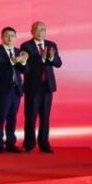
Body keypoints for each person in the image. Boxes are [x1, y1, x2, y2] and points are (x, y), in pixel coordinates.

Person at [20, 21, 62, 153]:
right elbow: (26, 67)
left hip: (47, 86)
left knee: (45, 117)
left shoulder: (51, 45)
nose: (40, 32)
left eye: (43, 29)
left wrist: (52, 57)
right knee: (31, 116)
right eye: (37, 29)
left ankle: (44, 144)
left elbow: (58, 63)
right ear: (32, 31)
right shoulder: (26, 46)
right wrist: (41, 59)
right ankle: (29, 144)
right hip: (33, 87)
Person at [0, 26, 28, 153]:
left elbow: (25, 70)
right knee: (1, 117)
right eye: (7, 35)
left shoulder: (20, 52)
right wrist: (14, 61)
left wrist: (23, 62)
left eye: (12, 36)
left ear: (16, 38)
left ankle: (11, 143)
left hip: (16, 89)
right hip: (2, 90)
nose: (10, 38)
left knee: (13, 117)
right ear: (2, 37)